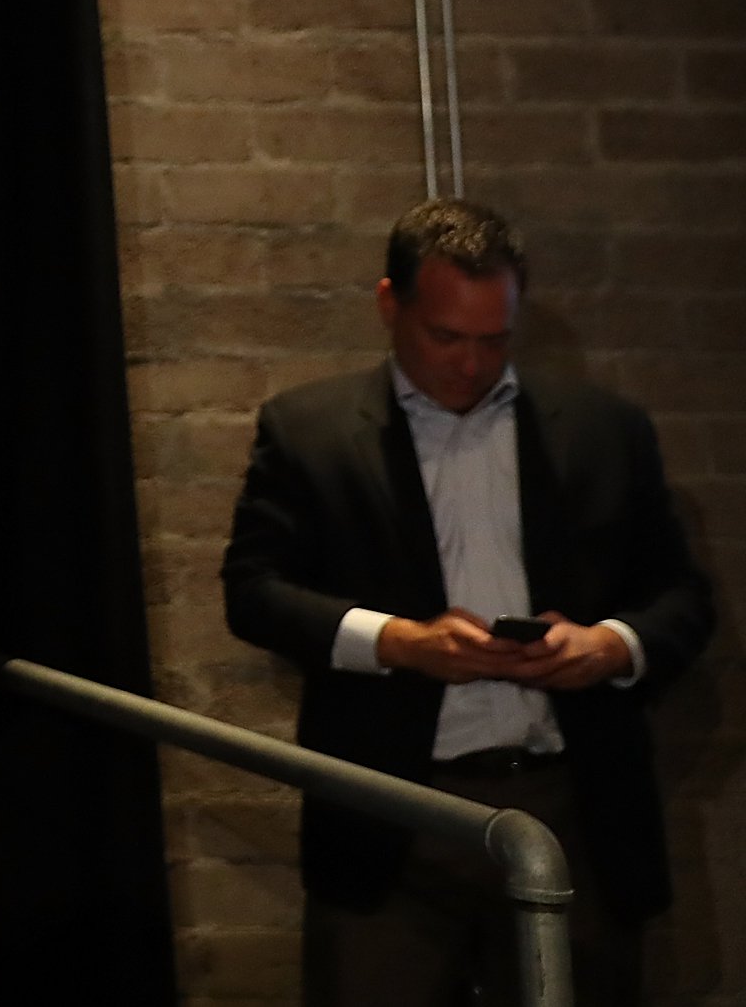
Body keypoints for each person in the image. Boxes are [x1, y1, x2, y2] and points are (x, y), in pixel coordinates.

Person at [223, 199, 716, 1006]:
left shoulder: (603, 427)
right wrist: (398, 642)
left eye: (495, 340)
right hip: (393, 810)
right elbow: (254, 592)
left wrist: (612, 646)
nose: (470, 363)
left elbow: (683, 597)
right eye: (445, 336)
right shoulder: (308, 430)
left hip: (572, 808)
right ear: (392, 304)